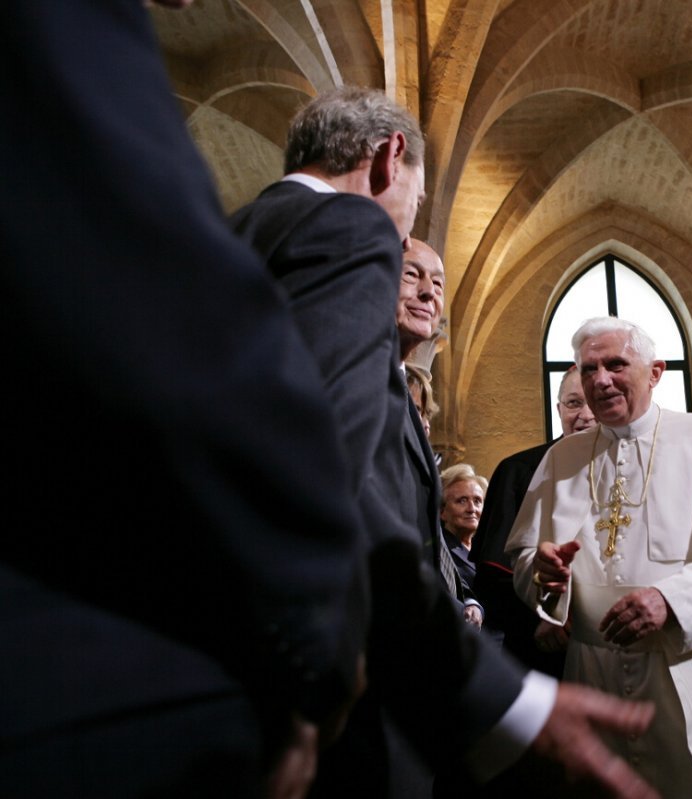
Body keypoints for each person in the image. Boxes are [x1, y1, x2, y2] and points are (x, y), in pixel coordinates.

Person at [231, 87, 656, 799]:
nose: (404, 237)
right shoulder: (346, 224)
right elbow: (328, 477)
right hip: (339, 677)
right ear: (390, 156)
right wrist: (493, 694)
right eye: (416, 205)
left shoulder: (236, 234)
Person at [1, 2, 367, 797]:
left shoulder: (254, 220)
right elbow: (155, 305)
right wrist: (310, 646)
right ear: (386, 160)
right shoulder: (350, 226)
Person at [508, 317, 692, 798]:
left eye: (616, 364)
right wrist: (543, 574)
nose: (601, 380)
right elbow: (527, 557)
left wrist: (672, 601)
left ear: (656, 371)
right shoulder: (561, 459)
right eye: (589, 368)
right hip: (593, 672)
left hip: (691, 667)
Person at [472, 366, 596, 675]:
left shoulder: (631, 468)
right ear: (558, 409)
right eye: (573, 403)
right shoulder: (517, 471)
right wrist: (544, 616)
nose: (586, 414)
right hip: (540, 649)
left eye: (594, 401)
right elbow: (493, 576)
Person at [440, 463, 488, 627]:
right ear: (442, 511)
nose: (472, 509)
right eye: (462, 501)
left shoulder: (487, 549)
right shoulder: (439, 551)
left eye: (477, 501)